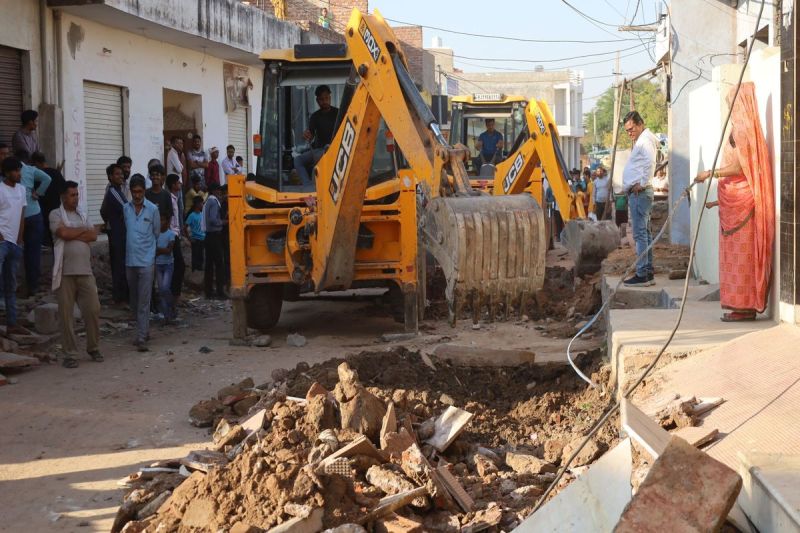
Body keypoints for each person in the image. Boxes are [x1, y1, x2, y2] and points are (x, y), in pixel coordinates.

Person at [694, 82, 774, 322]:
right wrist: (717, 202)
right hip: (736, 204)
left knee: (741, 257)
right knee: (735, 256)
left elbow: (740, 167)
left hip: (742, 205)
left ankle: (744, 306)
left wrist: (710, 173)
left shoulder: (742, 130)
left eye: (731, 102)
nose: (730, 106)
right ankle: (742, 305)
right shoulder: (745, 128)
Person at [50, 181, 102, 368]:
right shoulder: (56, 214)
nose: (76, 198)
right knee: (66, 315)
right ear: (63, 196)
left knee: (93, 309)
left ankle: (93, 348)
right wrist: (82, 231)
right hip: (65, 272)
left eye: (77, 194)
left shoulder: (82, 213)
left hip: (85, 270)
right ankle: (70, 354)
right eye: (72, 195)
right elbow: (62, 232)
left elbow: (94, 235)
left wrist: (74, 232)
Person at [621, 110, 659, 287]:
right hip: (639, 193)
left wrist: (642, 183)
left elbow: (650, 163)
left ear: (640, 123)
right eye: (627, 130)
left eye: (632, 128)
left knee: (640, 234)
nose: (630, 133)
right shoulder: (643, 140)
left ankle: (642, 272)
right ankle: (647, 271)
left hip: (640, 193)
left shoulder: (644, 141)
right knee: (645, 233)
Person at [124, 175, 159, 351]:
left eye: (140, 191)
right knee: (135, 299)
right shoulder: (126, 209)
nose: (137, 195)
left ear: (144, 191)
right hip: (130, 260)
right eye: (134, 192)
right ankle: (143, 330)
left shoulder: (152, 210)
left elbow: (156, 233)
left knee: (144, 300)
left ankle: (142, 335)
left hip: (146, 261)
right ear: (131, 192)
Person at [0, 157, 29, 335]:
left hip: (15, 243)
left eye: (20, 171)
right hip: (2, 242)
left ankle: (12, 323)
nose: (19, 174)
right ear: (7, 172)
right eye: (16, 171)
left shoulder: (22, 189)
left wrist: (19, 238)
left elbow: (22, 214)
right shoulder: (0, 189)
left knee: (11, 284)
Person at [17, 149, 52, 296]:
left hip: (19, 216)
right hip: (34, 214)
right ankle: (33, 285)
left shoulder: (9, 173)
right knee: (33, 252)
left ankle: (24, 285)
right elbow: (47, 179)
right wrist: (38, 193)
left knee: (18, 251)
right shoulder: (30, 170)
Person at [293, 85, 339, 186]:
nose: (325, 101)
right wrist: (307, 135)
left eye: (326, 98)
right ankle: (308, 186)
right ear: (317, 100)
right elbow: (311, 135)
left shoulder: (339, 113)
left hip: (337, 150)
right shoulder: (315, 117)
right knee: (298, 160)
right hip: (320, 151)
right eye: (322, 99)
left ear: (330, 97)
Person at [100, 164, 129, 304]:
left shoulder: (117, 190)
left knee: (119, 262)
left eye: (121, 173)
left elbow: (103, 210)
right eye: (117, 174)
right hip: (118, 233)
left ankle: (120, 294)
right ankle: (120, 295)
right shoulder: (113, 191)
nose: (121, 176)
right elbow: (126, 209)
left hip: (118, 232)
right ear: (110, 177)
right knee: (119, 263)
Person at [31, 151, 66, 247]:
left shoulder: (36, 175)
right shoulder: (56, 173)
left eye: (33, 165)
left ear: (37, 163)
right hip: (55, 210)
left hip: (41, 212)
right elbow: (64, 190)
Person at [202, 183, 226, 299]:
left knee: (209, 265)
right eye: (218, 190)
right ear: (215, 191)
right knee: (219, 264)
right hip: (214, 235)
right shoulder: (214, 201)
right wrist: (222, 222)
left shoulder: (208, 201)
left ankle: (209, 292)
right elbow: (212, 219)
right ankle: (220, 292)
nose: (220, 193)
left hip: (208, 236)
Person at [166, 174, 186, 303]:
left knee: (177, 265)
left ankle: (174, 292)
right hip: (172, 234)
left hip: (176, 234)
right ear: (173, 185)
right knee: (179, 265)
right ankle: (174, 293)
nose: (180, 185)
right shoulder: (169, 198)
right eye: (178, 183)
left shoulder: (175, 197)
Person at [155, 212, 176, 324]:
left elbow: (169, 250)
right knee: (161, 290)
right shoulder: (156, 234)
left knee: (164, 288)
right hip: (158, 264)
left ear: (167, 222)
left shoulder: (170, 234)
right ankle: (166, 315)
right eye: (159, 220)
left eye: (163, 220)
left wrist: (159, 250)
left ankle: (171, 306)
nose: (161, 222)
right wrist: (161, 250)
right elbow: (156, 250)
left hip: (168, 264)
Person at [186, 195, 205, 272]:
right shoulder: (191, 215)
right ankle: (194, 273)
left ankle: (199, 273)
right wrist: (189, 238)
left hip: (203, 239)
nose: (202, 205)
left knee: (201, 257)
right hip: (195, 240)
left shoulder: (202, 214)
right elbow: (185, 227)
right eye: (201, 203)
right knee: (195, 258)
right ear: (197, 204)